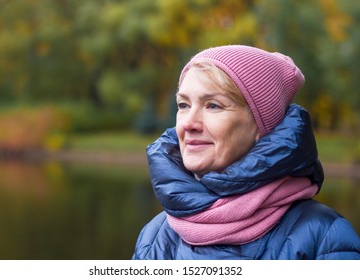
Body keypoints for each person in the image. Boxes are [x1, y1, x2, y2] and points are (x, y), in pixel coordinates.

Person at [132, 45, 360, 259]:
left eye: (213, 105)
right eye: (184, 105)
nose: (188, 124)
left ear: (262, 127)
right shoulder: (155, 236)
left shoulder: (324, 237)